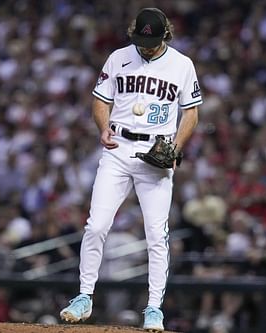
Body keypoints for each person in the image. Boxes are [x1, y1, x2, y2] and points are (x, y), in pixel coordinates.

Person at [60, 7, 202, 332]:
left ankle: (154, 308)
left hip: (156, 152)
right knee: (96, 226)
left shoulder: (182, 64)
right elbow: (100, 100)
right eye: (140, 40)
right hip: (118, 148)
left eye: (150, 41)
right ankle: (84, 296)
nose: (145, 46)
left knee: (156, 234)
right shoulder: (118, 57)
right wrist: (103, 126)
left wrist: (176, 149)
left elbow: (191, 112)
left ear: (166, 34)